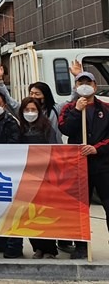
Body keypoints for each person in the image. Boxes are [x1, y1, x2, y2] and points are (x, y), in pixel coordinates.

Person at [59, 71, 109, 259]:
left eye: (89, 82)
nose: (85, 85)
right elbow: (64, 128)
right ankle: (81, 246)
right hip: (78, 166)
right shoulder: (68, 108)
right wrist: (77, 111)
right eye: (81, 82)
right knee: (79, 208)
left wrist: (97, 149)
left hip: (103, 166)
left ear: (95, 87)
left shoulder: (106, 108)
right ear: (75, 87)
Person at [0, 61, 82, 144]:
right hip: (29, 152)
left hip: (53, 150)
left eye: (37, 94)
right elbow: (7, 100)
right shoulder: (23, 110)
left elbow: (73, 100)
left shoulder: (56, 109)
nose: (34, 97)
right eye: (31, 94)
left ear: (45, 96)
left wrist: (78, 77)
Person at [17, 97, 59, 259]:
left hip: (45, 176)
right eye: (26, 110)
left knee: (45, 213)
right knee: (29, 214)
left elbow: (55, 150)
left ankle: (50, 248)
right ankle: (37, 247)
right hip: (27, 176)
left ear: (39, 111)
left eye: (33, 110)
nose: (30, 113)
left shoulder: (47, 128)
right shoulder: (20, 128)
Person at [0, 92, 22, 258]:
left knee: (12, 209)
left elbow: (13, 145)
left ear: (4, 106)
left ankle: (14, 245)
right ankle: (0, 241)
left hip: (8, 171)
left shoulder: (11, 122)